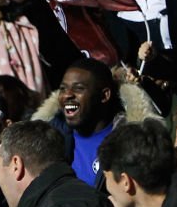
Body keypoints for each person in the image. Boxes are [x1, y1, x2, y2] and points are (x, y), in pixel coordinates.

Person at [31, 58, 160, 186]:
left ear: (105, 95)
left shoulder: (133, 143)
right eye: (63, 89)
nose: (67, 95)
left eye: (78, 88)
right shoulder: (48, 138)